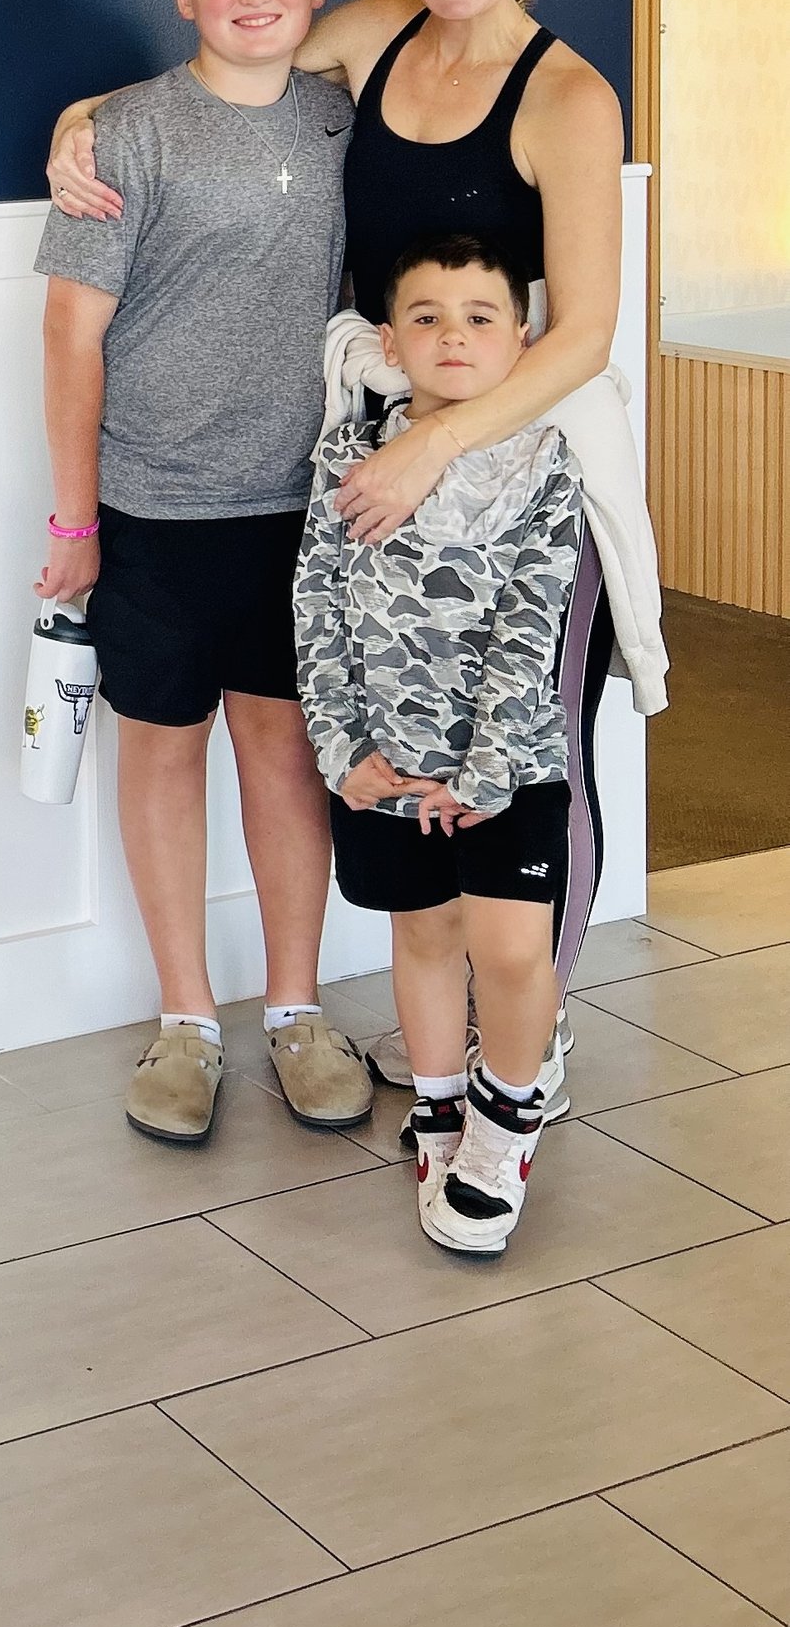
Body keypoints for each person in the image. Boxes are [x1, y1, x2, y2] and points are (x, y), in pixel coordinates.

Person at [49, 0, 663, 1071]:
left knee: (533, 752)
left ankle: (523, 1051)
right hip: (365, 465)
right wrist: (82, 115)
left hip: (510, 466)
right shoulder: (375, 35)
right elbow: (218, 65)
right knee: (407, 741)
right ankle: (439, 1042)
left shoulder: (567, 95)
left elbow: (586, 333)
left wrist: (432, 453)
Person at [34, 0, 373, 1145]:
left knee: (283, 757)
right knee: (162, 752)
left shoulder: (346, 117)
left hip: (308, 508)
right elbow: (72, 339)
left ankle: (293, 1009)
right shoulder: (124, 134)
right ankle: (186, 1019)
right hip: (156, 507)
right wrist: (76, 526)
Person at [296, 234, 582, 1252]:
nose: (450, 337)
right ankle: (439, 1108)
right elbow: (317, 605)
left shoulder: (545, 464)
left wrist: (488, 771)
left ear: (522, 339)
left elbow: (530, 625)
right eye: (425, 317)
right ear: (389, 339)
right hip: (381, 765)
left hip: (508, 773)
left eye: (477, 318)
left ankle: (504, 1131)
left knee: (508, 952)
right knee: (421, 938)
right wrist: (343, 753)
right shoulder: (348, 454)